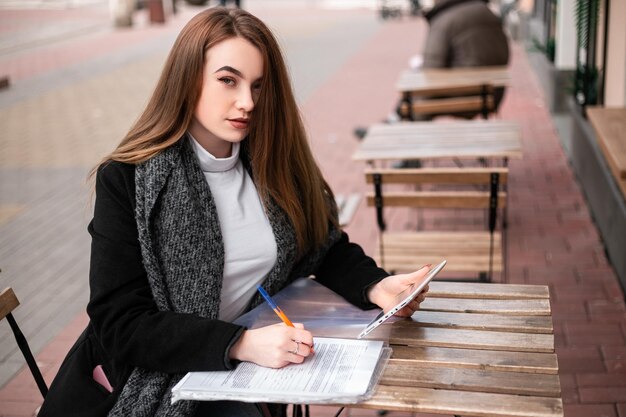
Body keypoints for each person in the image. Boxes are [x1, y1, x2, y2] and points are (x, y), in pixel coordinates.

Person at [39, 8, 431, 417]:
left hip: (244, 375)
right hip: (143, 379)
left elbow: (321, 247)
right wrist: (239, 342)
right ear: (188, 79)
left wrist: (376, 286)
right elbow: (120, 323)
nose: (247, 102)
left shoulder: (272, 165)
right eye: (228, 80)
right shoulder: (129, 180)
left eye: (258, 86)